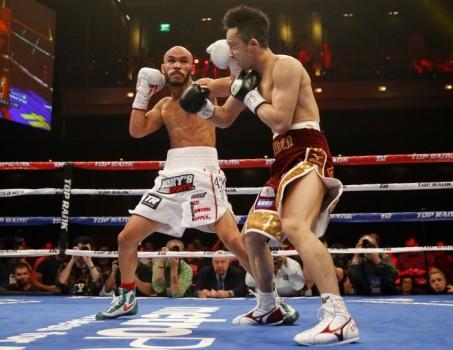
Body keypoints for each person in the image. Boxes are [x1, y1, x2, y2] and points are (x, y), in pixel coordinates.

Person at [180, 5, 359, 345]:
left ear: (253, 44)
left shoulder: (286, 66)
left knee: (294, 225)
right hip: (281, 159)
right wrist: (203, 107)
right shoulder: (247, 79)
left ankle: (340, 317)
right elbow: (223, 118)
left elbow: (278, 120)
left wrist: (247, 94)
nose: (229, 52)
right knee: (254, 236)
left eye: (233, 45)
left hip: (308, 150)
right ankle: (268, 306)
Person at [95, 46, 298, 322]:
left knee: (233, 241)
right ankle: (127, 299)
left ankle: (271, 300)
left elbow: (241, 84)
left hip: (203, 172)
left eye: (183, 61)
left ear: (193, 67)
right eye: (171, 61)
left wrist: (233, 62)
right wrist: (143, 91)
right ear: (163, 68)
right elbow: (137, 130)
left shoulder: (205, 87)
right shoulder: (164, 105)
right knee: (126, 238)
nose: (177, 65)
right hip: (170, 175)